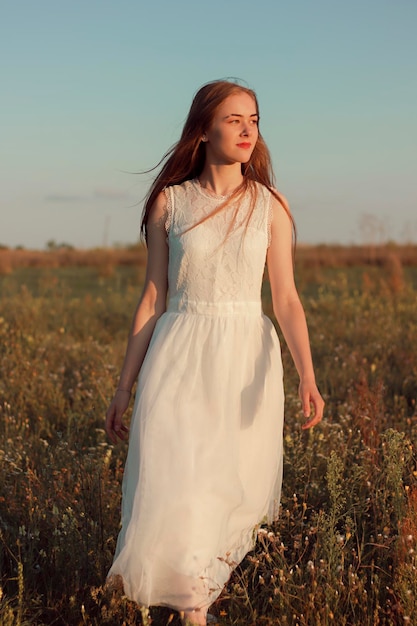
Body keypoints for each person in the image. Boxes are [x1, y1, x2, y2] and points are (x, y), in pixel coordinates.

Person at [105, 79, 324, 626]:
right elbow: (153, 296)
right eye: (233, 119)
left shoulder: (270, 205)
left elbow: (288, 300)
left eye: (254, 118)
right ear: (203, 130)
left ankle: (191, 600)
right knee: (180, 483)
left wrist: (308, 378)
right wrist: (124, 385)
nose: (248, 129)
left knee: (227, 492)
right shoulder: (171, 202)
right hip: (178, 355)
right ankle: (194, 609)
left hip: (245, 358)